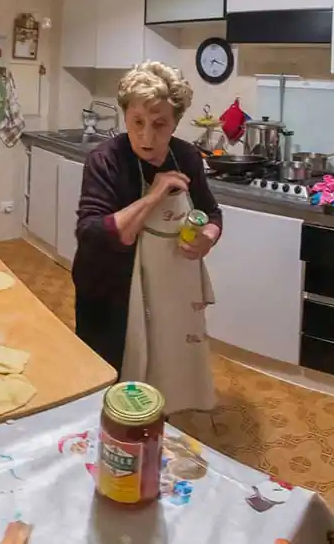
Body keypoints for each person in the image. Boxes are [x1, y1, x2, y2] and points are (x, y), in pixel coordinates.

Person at [72, 61, 222, 414]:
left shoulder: (186, 157)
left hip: (164, 292)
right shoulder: (105, 160)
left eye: (160, 124)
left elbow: (211, 212)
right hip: (108, 290)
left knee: (159, 370)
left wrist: (208, 237)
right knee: (106, 378)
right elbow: (91, 232)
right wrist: (153, 196)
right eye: (137, 122)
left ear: (176, 122)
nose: (146, 137)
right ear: (125, 116)